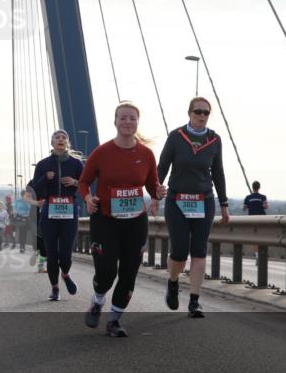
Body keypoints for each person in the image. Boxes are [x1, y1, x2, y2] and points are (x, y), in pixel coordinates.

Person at [80, 103, 164, 336]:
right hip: (105, 219)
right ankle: (97, 301)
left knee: (130, 271)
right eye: (123, 118)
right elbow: (83, 182)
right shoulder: (101, 152)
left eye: (132, 119)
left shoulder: (146, 154)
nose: (128, 122)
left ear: (138, 122)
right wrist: (87, 198)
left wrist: (159, 192)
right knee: (106, 271)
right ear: (115, 121)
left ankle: (114, 320)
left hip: (136, 220)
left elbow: (152, 186)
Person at [153, 97, 229, 318]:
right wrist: (155, 194)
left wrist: (223, 204)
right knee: (178, 252)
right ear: (189, 113)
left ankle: (194, 301)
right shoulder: (176, 137)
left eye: (206, 112)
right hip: (177, 200)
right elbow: (162, 166)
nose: (202, 116)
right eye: (198, 111)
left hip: (203, 200)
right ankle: (173, 281)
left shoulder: (214, 139)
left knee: (199, 251)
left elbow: (218, 173)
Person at [32, 130, 84, 301]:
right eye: (57, 137)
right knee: (52, 254)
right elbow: (35, 190)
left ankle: (66, 274)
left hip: (70, 212)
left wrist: (75, 182)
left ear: (67, 143)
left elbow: (85, 186)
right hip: (49, 212)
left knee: (66, 254)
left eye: (64, 138)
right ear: (52, 143)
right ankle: (55, 288)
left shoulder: (76, 164)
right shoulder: (42, 164)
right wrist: (46, 179)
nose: (60, 140)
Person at [24, 180, 47, 273]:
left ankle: (37, 251)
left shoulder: (55, 179)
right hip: (35, 216)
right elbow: (26, 198)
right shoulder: (32, 182)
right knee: (42, 240)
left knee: (47, 241)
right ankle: (41, 265)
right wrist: (37, 203)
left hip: (51, 215)